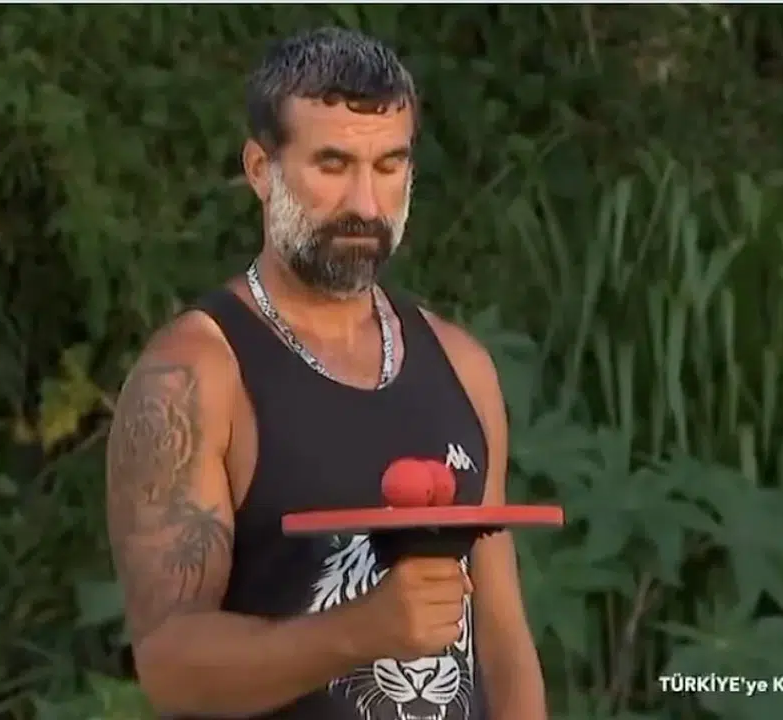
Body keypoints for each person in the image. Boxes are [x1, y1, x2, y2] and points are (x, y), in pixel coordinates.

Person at [105, 26, 548, 720]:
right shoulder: (195, 374)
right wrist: (362, 631)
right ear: (261, 169)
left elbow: (503, 642)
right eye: (333, 165)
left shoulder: (463, 365)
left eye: (389, 165)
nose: (366, 206)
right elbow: (170, 666)